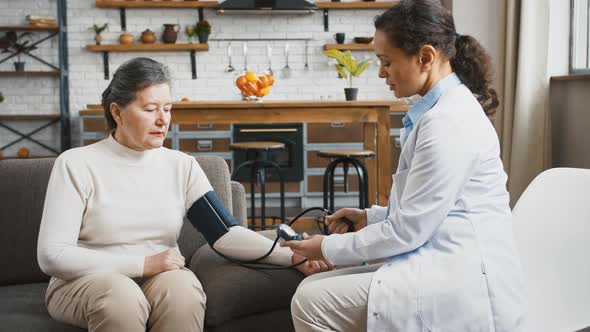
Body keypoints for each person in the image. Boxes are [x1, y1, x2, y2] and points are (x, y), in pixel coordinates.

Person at [280, 1, 526, 331]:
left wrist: (326, 246)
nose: (381, 72)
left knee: (312, 303)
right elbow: (428, 211)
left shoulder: (447, 122)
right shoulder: (438, 113)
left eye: (386, 62)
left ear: (425, 57)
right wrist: (369, 217)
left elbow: (410, 229)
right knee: (311, 292)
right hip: (442, 253)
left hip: (461, 273)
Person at [37, 57, 331, 332]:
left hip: (161, 276)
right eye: (150, 109)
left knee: (185, 293)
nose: (163, 120)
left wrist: (290, 256)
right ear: (117, 112)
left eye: (167, 108)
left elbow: (226, 234)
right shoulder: (76, 164)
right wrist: (142, 264)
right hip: (85, 281)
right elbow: (53, 256)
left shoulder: (181, 165)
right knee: (121, 298)